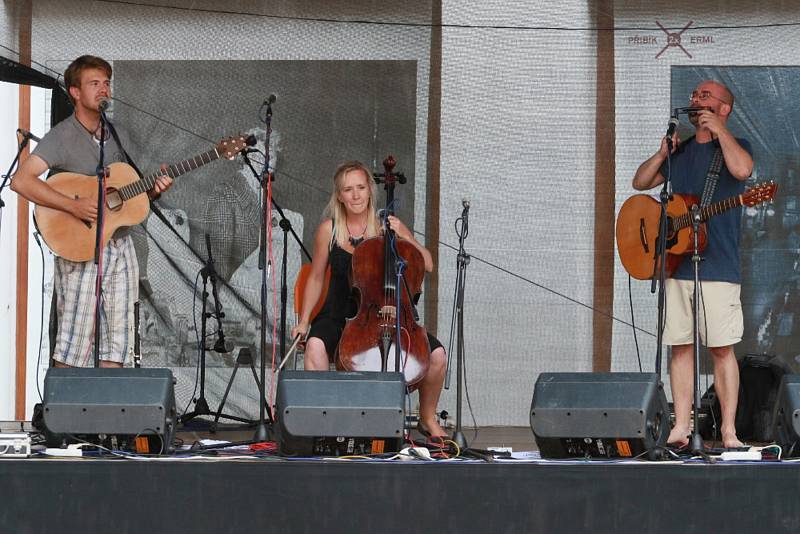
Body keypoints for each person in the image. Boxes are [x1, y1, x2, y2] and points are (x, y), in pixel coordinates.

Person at [11, 55, 173, 368]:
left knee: (117, 339)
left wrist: (154, 188)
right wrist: (72, 204)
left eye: (106, 83)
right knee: (75, 338)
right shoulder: (61, 136)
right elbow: (22, 181)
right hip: (80, 244)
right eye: (94, 83)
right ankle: (64, 413)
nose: (103, 89)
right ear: (74, 92)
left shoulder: (117, 134)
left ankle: (107, 412)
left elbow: (129, 194)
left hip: (120, 243)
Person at [632, 80, 753, 448]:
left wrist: (721, 132)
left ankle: (729, 431)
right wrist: (661, 154)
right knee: (680, 346)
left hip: (717, 267)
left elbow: (744, 172)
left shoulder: (736, 146)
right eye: (695, 96)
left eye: (705, 96)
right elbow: (640, 183)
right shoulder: (679, 152)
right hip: (676, 265)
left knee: (720, 348)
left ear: (723, 108)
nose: (696, 100)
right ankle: (680, 427)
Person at [291, 161, 448, 439]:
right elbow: (316, 277)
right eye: (348, 189)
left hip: (384, 314)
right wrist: (303, 321)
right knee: (315, 346)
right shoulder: (329, 229)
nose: (355, 195)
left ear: (370, 191)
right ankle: (326, 420)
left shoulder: (385, 226)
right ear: (339, 195)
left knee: (436, 356)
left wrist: (406, 235)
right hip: (340, 313)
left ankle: (427, 417)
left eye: (361, 188)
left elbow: (427, 264)